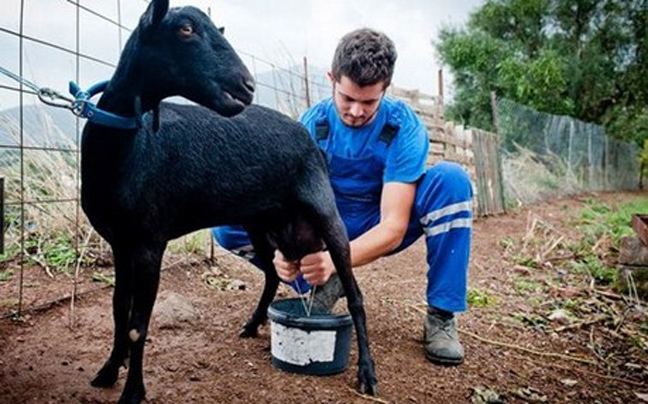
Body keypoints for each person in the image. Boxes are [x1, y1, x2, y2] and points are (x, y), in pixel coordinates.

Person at [212, 28, 473, 365]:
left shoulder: (402, 126)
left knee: (451, 181)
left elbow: (393, 225)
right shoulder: (311, 125)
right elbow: (285, 204)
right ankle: (312, 287)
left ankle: (441, 314)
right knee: (228, 226)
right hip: (322, 223)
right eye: (346, 98)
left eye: (368, 102)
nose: (355, 111)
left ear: (386, 89)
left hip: (378, 218)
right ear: (331, 79)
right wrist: (279, 251)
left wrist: (337, 260)